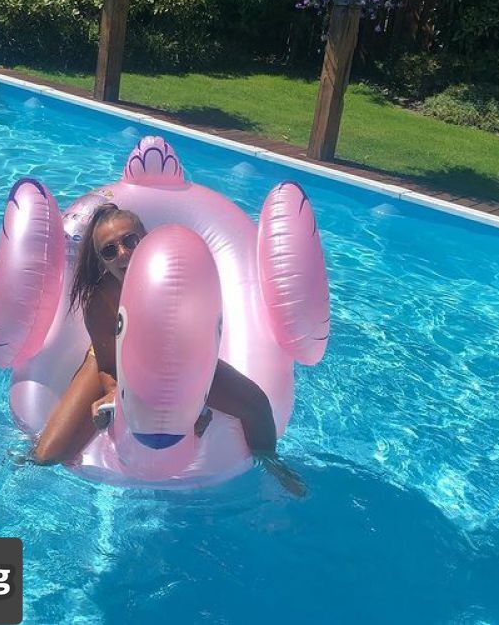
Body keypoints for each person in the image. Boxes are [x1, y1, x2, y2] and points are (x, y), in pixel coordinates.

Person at [32, 204, 305, 496]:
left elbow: (198, 347)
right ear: (102, 263)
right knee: (47, 455)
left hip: (179, 358)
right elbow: (108, 366)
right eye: (109, 251)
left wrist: (193, 401)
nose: (122, 253)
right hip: (115, 360)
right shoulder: (102, 299)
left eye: (130, 240)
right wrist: (115, 397)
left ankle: (272, 463)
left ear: (147, 240)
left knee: (257, 405)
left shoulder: (180, 281)